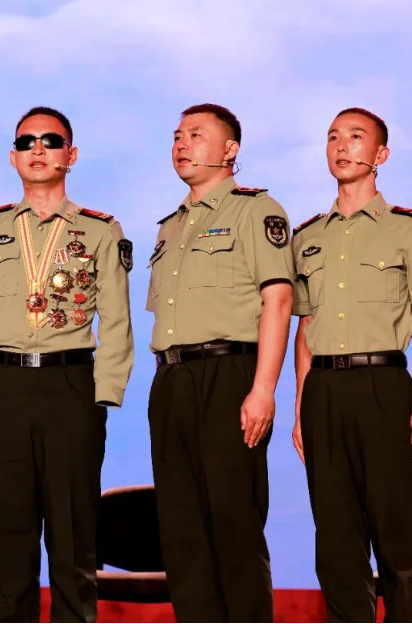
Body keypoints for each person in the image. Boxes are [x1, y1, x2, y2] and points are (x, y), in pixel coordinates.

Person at [0, 106, 133, 623]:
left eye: (51, 141)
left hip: (70, 385)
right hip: (1, 387)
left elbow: (117, 321)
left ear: (70, 155)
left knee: (74, 535)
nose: (37, 149)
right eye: (26, 141)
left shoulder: (100, 230)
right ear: (13, 157)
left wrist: (101, 399)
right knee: (9, 536)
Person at [291, 108, 412, 623]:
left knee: (396, 536)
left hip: (385, 387)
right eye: (333, 137)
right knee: (335, 540)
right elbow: (306, 328)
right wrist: (300, 406)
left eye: (356, 137)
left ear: (381, 155)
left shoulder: (411, 229)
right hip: (323, 392)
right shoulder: (307, 237)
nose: (342, 146)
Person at [146, 104, 295, 622]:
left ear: (230, 150)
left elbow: (278, 301)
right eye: (177, 135)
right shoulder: (169, 227)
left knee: (235, 525)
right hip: (171, 379)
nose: (181, 144)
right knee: (181, 530)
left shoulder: (256, 211)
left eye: (196, 135)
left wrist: (263, 390)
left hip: (229, 376)